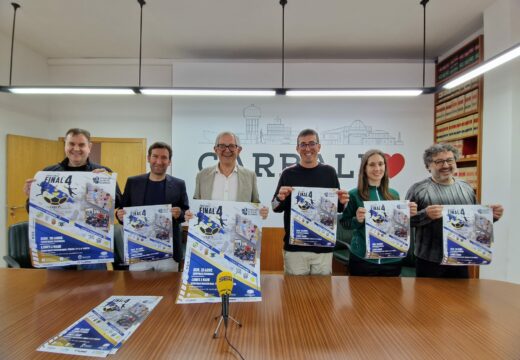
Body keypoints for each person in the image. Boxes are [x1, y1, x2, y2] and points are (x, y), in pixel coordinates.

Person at [23, 128, 122, 270]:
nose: (76, 149)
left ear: (89, 147)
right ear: (65, 145)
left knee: (96, 287)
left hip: (92, 243)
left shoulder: (101, 172)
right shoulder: (48, 173)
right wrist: (31, 196)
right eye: (71, 144)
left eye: (81, 145)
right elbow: (32, 210)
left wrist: (106, 186)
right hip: (58, 242)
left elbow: (118, 203)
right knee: (57, 288)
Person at [406, 143, 504, 278]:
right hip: (429, 260)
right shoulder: (418, 189)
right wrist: (425, 215)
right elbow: (405, 222)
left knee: (461, 298)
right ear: (428, 166)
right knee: (428, 299)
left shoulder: (466, 188)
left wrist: (492, 216)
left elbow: (473, 220)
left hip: (462, 257)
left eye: (449, 160)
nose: (445, 165)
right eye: (439, 161)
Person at [271, 128, 349, 275]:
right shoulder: (288, 174)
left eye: (312, 144)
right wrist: (279, 198)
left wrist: (343, 202)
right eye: (303, 144)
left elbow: (337, 208)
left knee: (322, 295)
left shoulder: (329, 172)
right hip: (295, 248)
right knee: (295, 294)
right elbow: (275, 207)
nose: (308, 148)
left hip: (323, 248)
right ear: (297, 148)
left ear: (319, 147)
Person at [339, 149, 417, 276]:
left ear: (385, 167)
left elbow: (398, 226)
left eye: (381, 164)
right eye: (372, 164)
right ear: (364, 168)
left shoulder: (394, 194)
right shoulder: (354, 194)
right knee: (360, 295)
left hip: (392, 259)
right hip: (362, 259)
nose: (377, 168)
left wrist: (409, 216)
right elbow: (345, 223)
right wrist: (357, 220)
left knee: (391, 295)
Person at [116, 142, 189, 271]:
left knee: (168, 290)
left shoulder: (179, 184)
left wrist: (180, 214)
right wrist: (120, 216)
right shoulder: (133, 182)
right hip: (139, 250)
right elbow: (122, 210)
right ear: (148, 158)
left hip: (168, 254)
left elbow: (185, 211)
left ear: (169, 161)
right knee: (138, 289)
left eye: (164, 157)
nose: (159, 161)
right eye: (155, 156)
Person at [193, 131, 268, 219]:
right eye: (222, 146)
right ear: (216, 150)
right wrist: (190, 214)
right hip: (210, 231)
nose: (227, 150)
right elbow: (195, 206)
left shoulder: (250, 176)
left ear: (239, 150)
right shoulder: (202, 176)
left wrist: (261, 213)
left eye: (232, 146)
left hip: (239, 232)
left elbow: (256, 206)